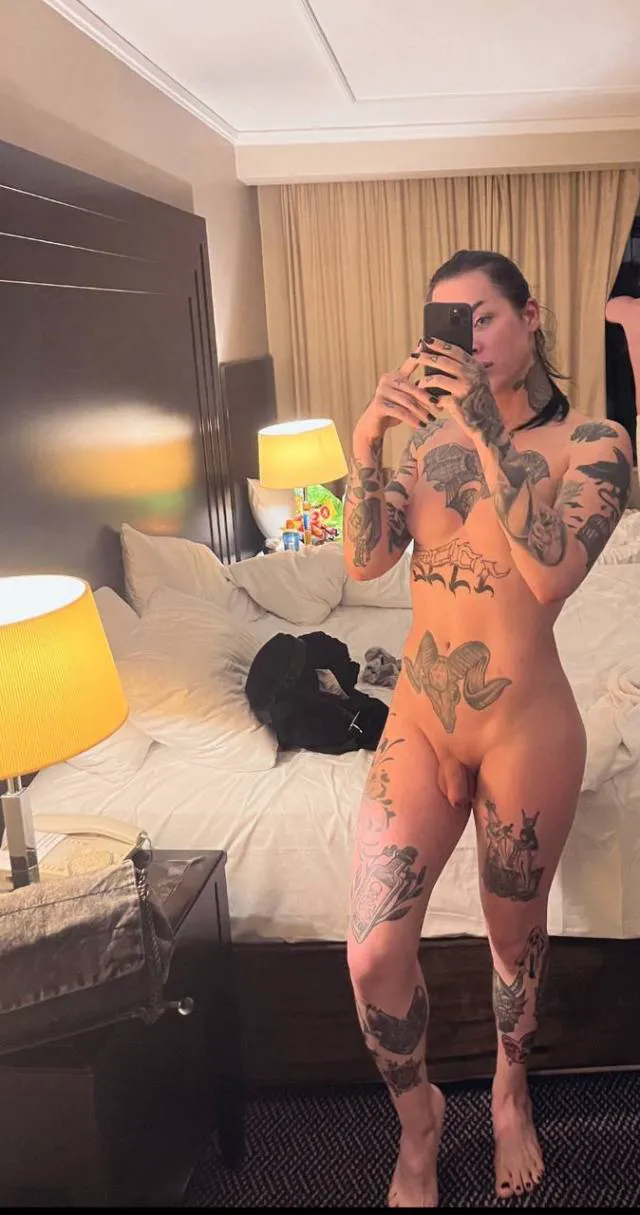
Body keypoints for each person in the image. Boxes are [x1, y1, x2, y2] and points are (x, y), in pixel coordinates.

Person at [343, 249, 635, 1208]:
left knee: (514, 945)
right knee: (372, 951)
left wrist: (482, 429)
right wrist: (366, 448)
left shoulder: (594, 442)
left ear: (530, 316)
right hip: (421, 719)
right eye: (451, 322)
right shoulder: (424, 445)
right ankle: (419, 1120)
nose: (468, 340)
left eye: (485, 317)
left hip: (525, 728)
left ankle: (511, 1089)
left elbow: (550, 574)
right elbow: (365, 562)